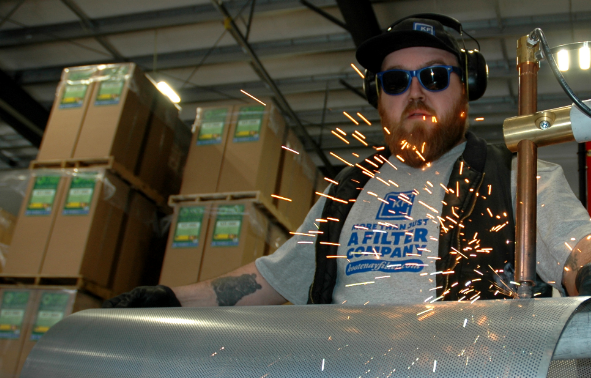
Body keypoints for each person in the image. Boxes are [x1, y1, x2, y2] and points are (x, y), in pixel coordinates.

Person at [104, 14, 591, 309]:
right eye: (396, 82)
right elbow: (270, 281)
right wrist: (169, 297)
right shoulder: (348, 190)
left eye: (435, 77)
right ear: (377, 99)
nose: (416, 92)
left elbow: (578, 251)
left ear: (467, 89)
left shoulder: (518, 179)